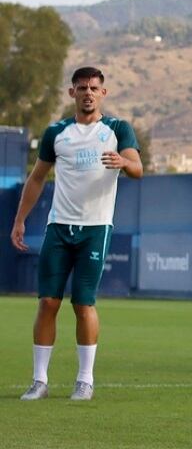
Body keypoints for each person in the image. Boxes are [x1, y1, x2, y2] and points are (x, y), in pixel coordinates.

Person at [11, 67, 142, 401]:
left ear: (103, 93)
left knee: (83, 304)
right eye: (82, 87)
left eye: (94, 88)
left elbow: (137, 168)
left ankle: (85, 380)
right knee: (48, 302)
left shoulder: (116, 129)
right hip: (58, 228)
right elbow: (37, 178)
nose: (88, 92)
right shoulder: (57, 132)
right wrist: (20, 219)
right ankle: (39, 380)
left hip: (95, 228)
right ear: (71, 93)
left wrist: (123, 163)